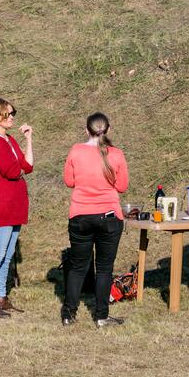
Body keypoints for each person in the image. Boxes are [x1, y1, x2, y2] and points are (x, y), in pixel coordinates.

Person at [61, 112, 129, 328]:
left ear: (86, 129)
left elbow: (69, 181)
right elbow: (122, 186)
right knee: (104, 268)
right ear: (108, 130)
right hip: (108, 217)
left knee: (78, 266)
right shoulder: (116, 154)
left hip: (80, 215)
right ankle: (101, 316)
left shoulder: (75, 151)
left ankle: (68, 313)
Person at [0, 98, 33, 318]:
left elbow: (27, 166)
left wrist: (29, 139)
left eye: (13, 113)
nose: (12, 117)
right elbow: (12, 171)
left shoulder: (9, 139)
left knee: (8, 253)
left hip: (15, 203)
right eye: (8, 113)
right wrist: (18, 168)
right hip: (1, 203)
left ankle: (0, 296)